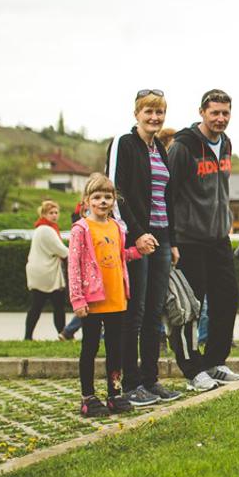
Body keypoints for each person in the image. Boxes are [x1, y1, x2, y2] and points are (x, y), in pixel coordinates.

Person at [165, 89, 239, 391]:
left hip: (218, 239)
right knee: (190, 307)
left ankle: (215, 362)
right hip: (188, 240)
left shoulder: (225, 143)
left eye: (225, 113)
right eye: (215, 113)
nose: (220, 119)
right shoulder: (183, 147)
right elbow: (168, 195)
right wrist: (171, 240)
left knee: (227, 297)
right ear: (202, 112)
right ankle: (192, 369)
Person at [105, 89, 181, 407]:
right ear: (136, 114)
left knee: (154, 313)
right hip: (137, 240)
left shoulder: (160, 150)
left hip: (162, 239)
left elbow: (167, 197)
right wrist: (136, 234)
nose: (154, 117)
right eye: (148, 111)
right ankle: (131, 384)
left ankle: (151, 381)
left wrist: (172, 241)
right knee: (133, 315)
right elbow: (115, 191)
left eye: (159, 112)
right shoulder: (124, 144)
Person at [67, 174, 142, 417]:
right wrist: (77, 299)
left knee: (115, 349)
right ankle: (88, 396)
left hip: (116, 298)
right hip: (92, 301)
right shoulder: (82, 229)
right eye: (97, 197)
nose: (103, 201)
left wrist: (137, 251)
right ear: (86, 201)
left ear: (114, 200)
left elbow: (119, 257)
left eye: (107, 197)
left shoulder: (117, 227)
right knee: (89, 347)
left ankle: (114, 393)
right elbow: (74, 266)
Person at [24, 200, 70, 340]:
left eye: (56, 212)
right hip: (47, 274)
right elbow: (62, 251)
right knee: (57, 306)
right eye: (51, 213)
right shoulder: (47, 230)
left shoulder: (41, 228)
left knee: (36, 306)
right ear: (44, 214)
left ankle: (28, 336)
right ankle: (63, 334)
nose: (55, 215)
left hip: (40, 273)